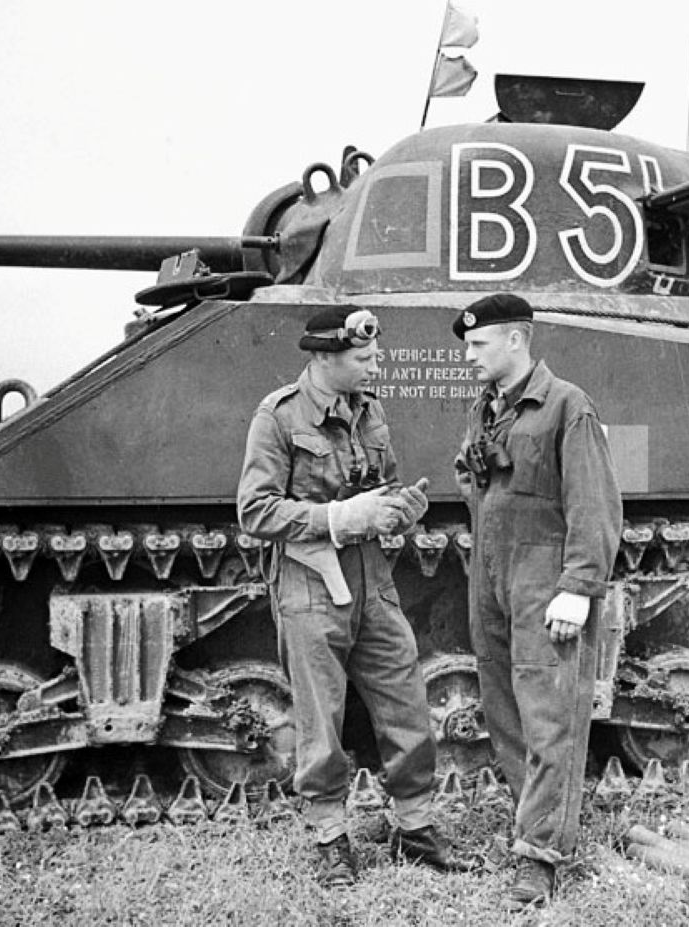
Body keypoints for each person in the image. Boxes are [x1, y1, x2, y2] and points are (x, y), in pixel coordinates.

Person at [237, 305, 464, 886]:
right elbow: (255, 510)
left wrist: (398, 510)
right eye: (363, 357)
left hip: (372, 579)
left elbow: (381, 484)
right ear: (324, 357)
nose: (374, 365)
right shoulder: (279, 416)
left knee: (405, 700)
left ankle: (415, 827)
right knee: (322, 716)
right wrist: (339, 518)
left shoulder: (369, 410)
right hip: (311, 582)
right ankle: (330, 837)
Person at [452, 293, 623, 910]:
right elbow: (472, 479)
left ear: (516, 340)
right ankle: (532, 826)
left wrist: (577, 588)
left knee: (550, 720)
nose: (469, 356)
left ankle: (541, 858)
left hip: (543, 582)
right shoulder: (487, 407)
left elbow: (595, 505)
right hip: (492, 579)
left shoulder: (567, 406)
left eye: (478, 344)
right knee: (505, 714)